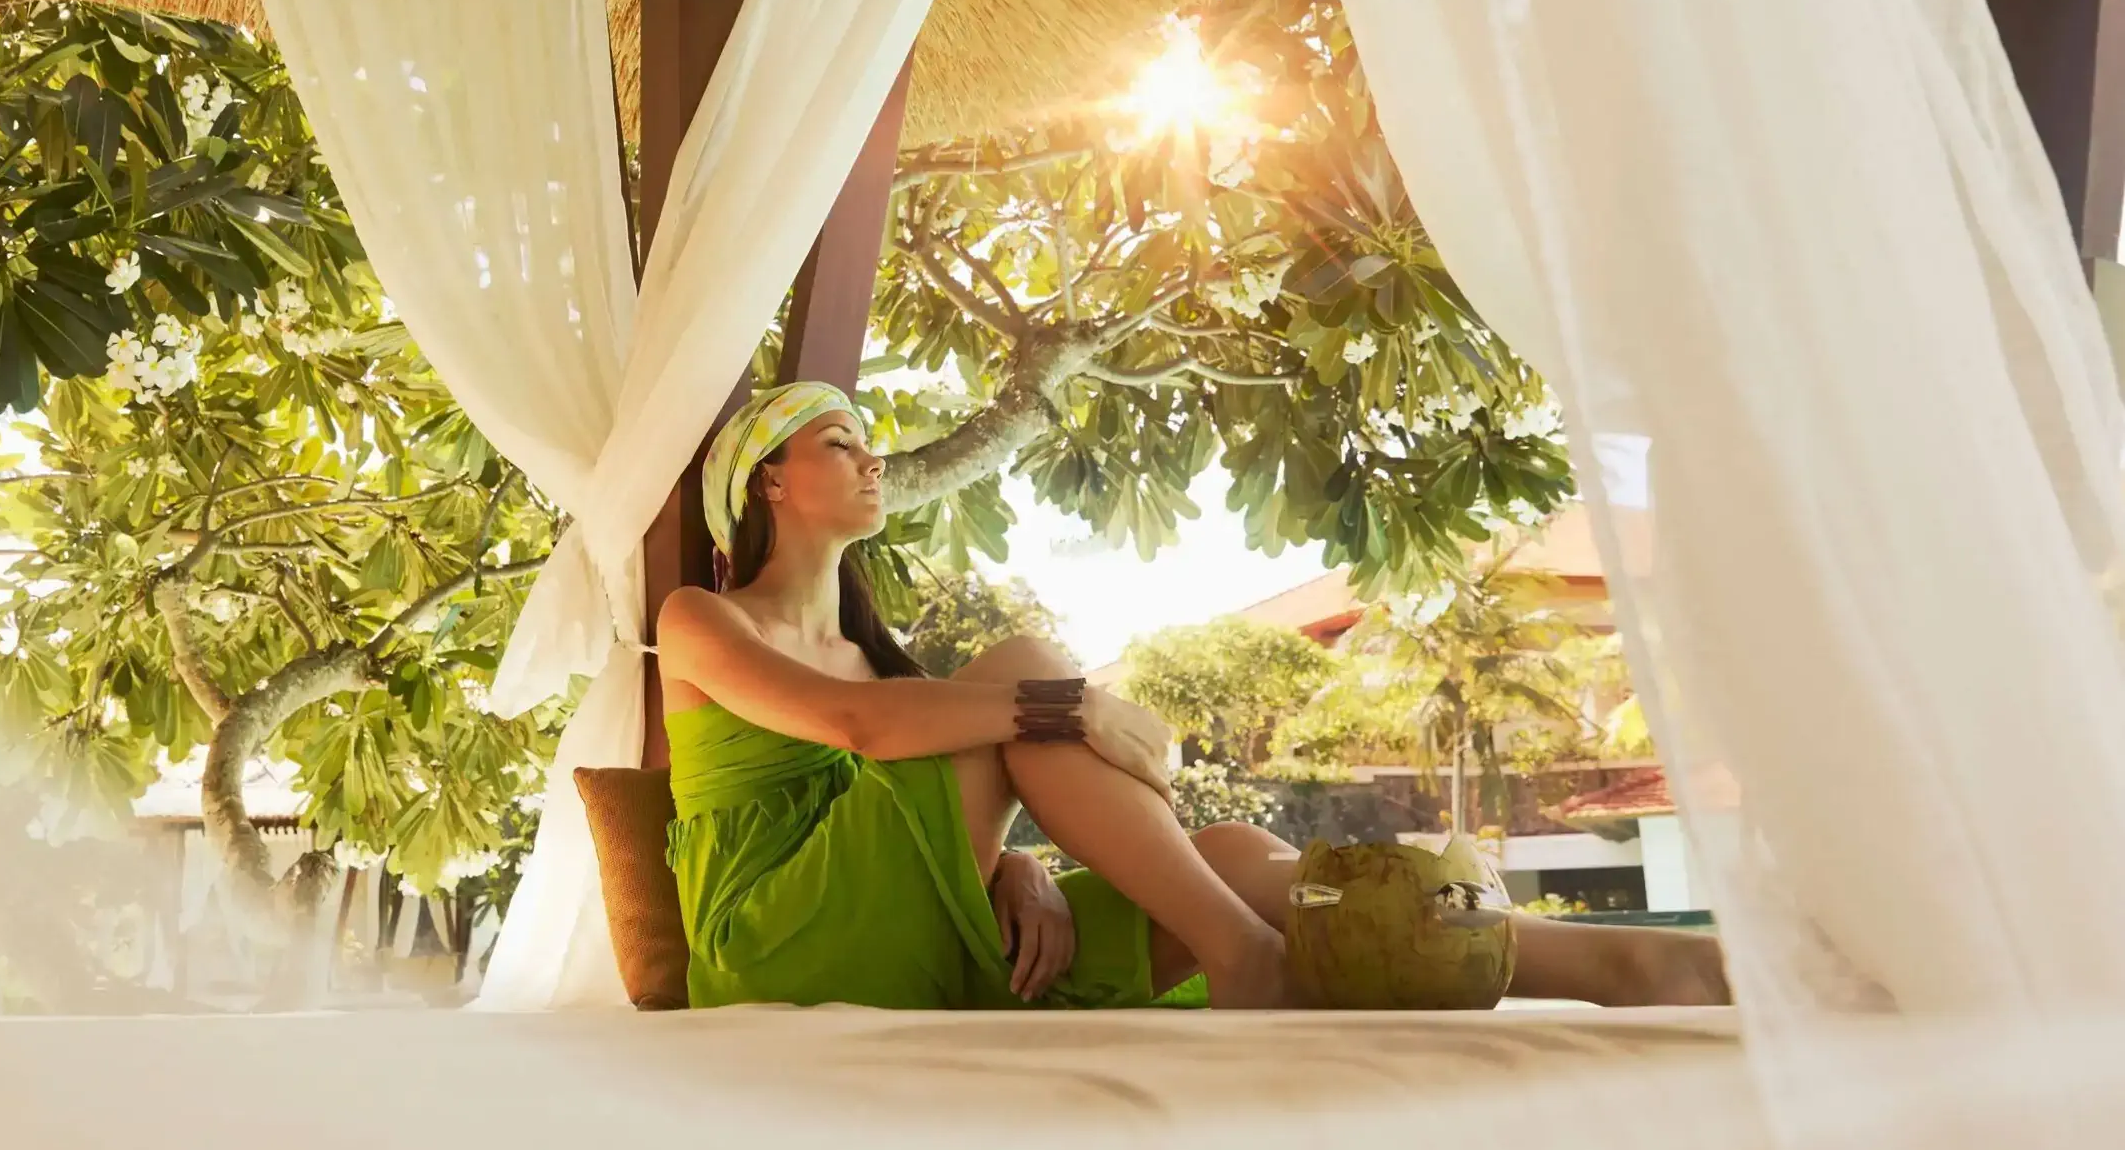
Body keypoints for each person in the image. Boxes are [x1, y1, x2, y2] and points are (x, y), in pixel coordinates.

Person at [653, 382, 1732, 1012]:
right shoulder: (701, 620)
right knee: (1025, 663)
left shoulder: (885, 664)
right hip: (777, 949)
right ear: (769, 481)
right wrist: (1071, 708)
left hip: (919, 942)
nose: (873, 458)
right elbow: (857, 729)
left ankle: (1623, 961)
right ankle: (1247, 963)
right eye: (839, 442)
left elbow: (923, 793)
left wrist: (1019, 864)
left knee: (1228, 851)